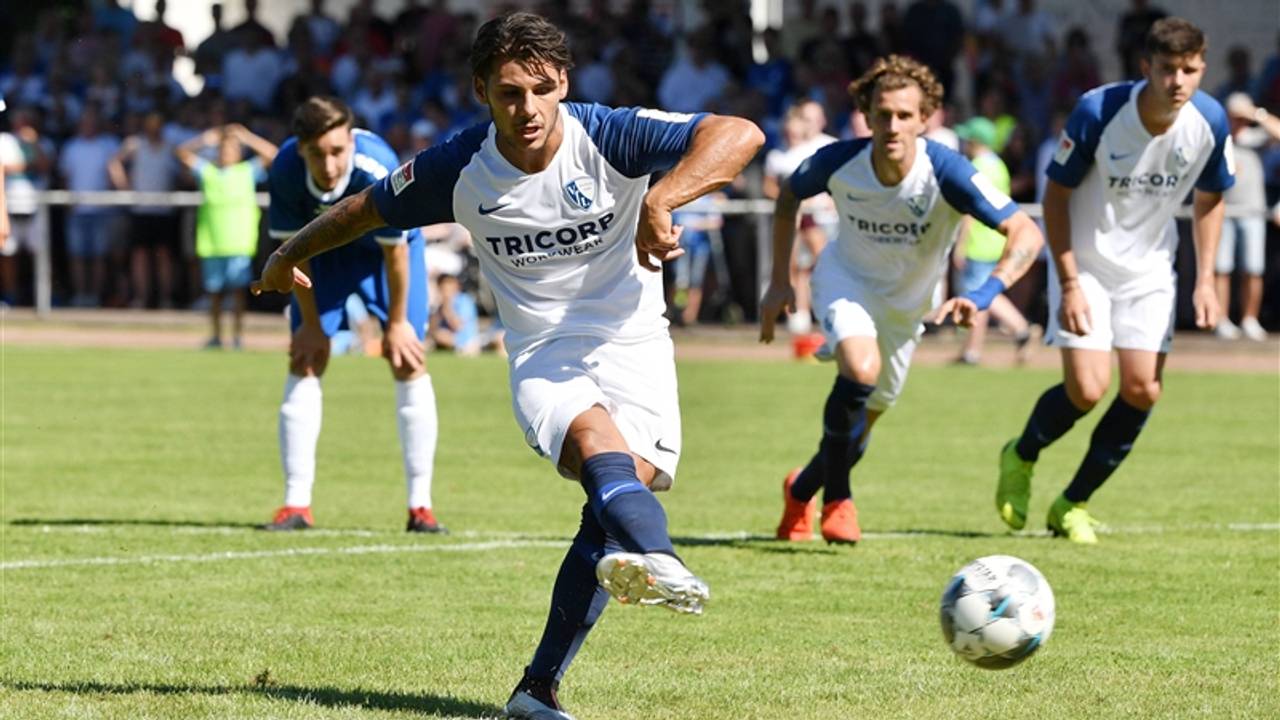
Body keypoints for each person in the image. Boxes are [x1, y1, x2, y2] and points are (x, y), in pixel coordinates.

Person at [251, 13, 763, 718]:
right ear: (481, 92)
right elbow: (362, 211)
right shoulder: (458, 166)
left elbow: (739, 133)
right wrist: (286, 255)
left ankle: (537, 689)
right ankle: (665, 558)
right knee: (594, 448)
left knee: (613, 508)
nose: (527, 109)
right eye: (509, 93)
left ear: (564, 85)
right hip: (543, 350)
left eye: (541, 90)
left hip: (636, 342)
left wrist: (664, 195)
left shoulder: (608, 133)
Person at [760, 55, 1043, 544]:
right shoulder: (838, 161)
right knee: (860, 370)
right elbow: (788, 198)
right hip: (846, 279)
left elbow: (1025, 232)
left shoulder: (949, 172)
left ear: (926, 118)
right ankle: (840, 501)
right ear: (866, 116)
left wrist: (984, 291)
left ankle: (801, 490)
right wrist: (780, 280)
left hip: (906, 307)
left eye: (905, 115)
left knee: (859, 430)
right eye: (883, 114)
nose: (893, 125)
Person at [996, 18, 1233, 544]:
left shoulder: (1210, 121)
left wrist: (1207, 279)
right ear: (1145, 67)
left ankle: (1072, 504)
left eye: (1189, 70)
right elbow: (1055, 198)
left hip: (1150, 270)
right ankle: (1021, 454)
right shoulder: (1098, 112)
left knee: (1143, 389)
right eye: (1167, 69)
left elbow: (1212, 196)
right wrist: (1071, 281)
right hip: (1085, 264)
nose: (1178, 81)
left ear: (1201, 69)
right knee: (1087, 388)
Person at [255, 96, 445, 535]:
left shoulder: (375, 166)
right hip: (321, 256)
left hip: (386, 257)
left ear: (350, 142)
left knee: (406, 358)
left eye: (337, 151)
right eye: (317, 153)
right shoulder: (284, 171)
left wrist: (397, 324)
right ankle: (295, 504)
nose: (329, 162)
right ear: (300, 149)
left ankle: (421, 508)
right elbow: (290, 257)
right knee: (305, 357)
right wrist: (311, 328)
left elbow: (396, 252)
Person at [175, 123, 277, 349]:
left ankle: (238, 337)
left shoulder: (246, 171)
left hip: (239, 243)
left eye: (231, 150)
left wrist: (247, 136)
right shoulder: (208, 171)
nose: (226, 154)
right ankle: (216, 335)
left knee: (239, 294)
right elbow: (181, 152)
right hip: (212, 243)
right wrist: (204, 139)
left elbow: (272, 153)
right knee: (215, 294)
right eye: (222, 150)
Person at [952, 117, 1039, 365]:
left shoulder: (976, 166)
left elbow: (970, 211)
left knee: (978, 296)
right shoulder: (999, 165)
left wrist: (959, 245)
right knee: (985, 294)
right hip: (998, 239)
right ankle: (974, 348)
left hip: (978, 242)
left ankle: (1017, 331)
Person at [763, 101, 837, 334]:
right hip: (789, 217)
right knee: (792, 265)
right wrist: (788, 201)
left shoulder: (813, 151)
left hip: (814, 218)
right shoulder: (776, 155)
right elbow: (769, 187)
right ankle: (797, 314)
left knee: (822, 261)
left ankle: (827, 309)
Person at [1215, 93, 1278, 342]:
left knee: (1253, 269)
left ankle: (1249, 319)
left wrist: (1255, 114)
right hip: (1223, 211)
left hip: (1252, 212)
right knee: (1222, 268)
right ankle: (1221, 320)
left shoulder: (1256, 138)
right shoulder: (1219, 138)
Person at [109, 111, 181, 308]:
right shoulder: (135, 144)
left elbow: (184, 166)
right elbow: (114, 162)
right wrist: (124, 187)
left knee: (164, 256)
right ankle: (141, 298)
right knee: (139, 256)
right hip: (141, 209)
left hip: (164, 210)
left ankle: (165, 299)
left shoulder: (169, 147)